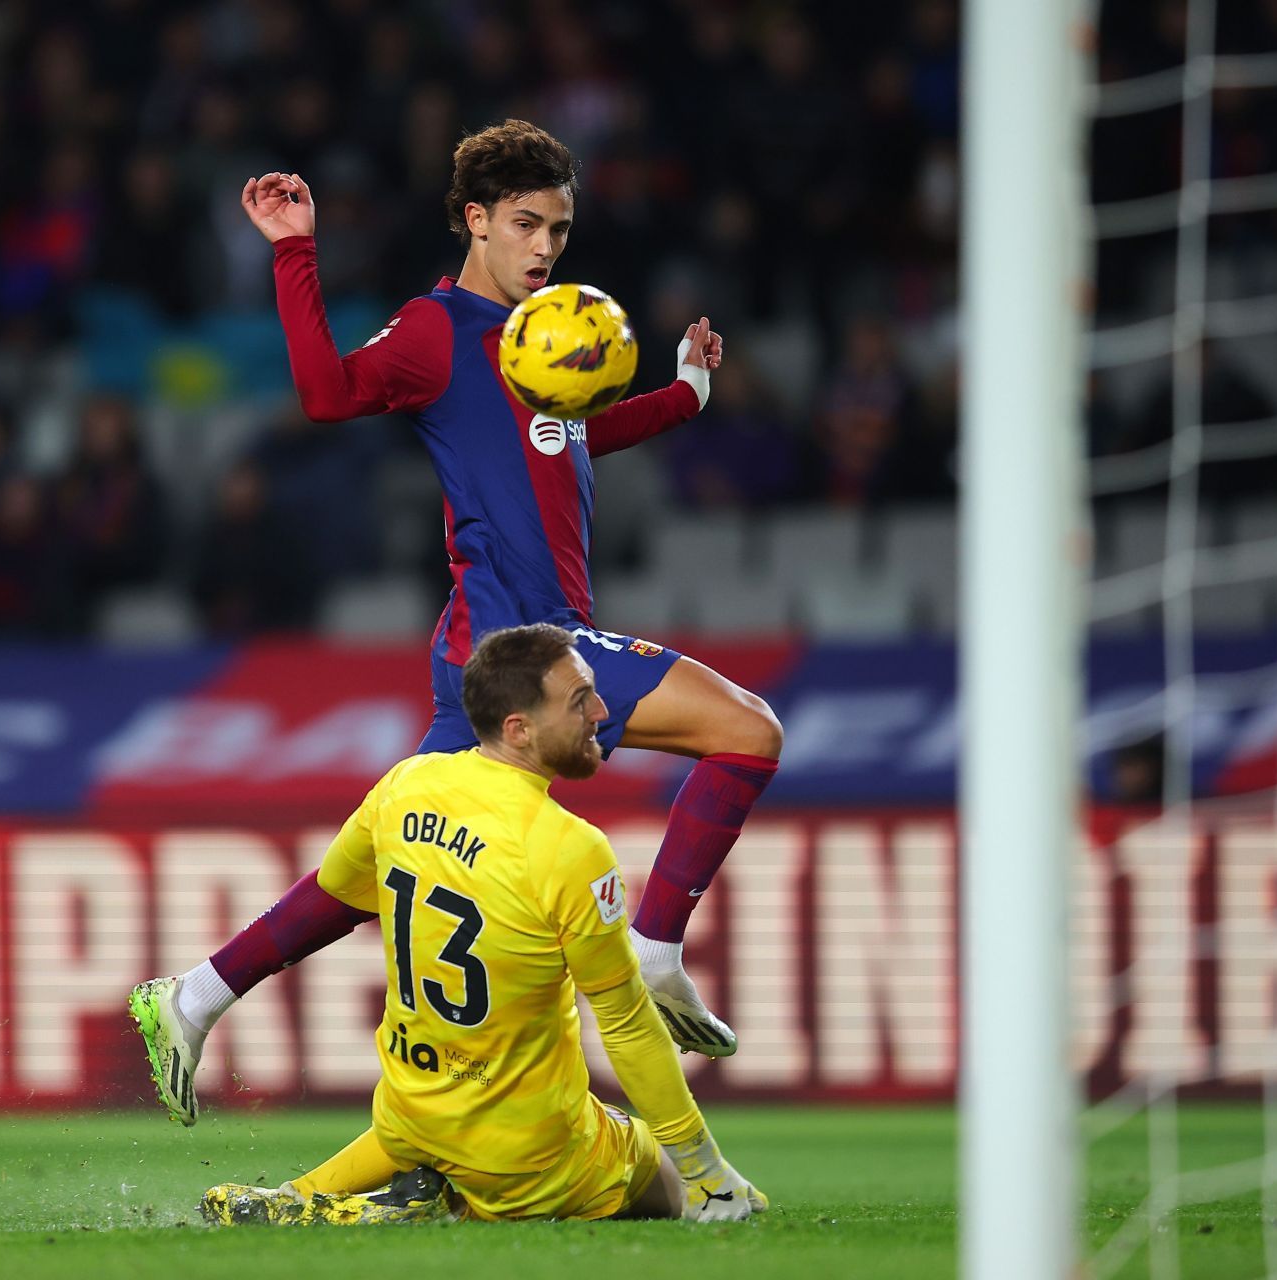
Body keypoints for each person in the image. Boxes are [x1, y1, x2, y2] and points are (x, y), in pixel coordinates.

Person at [134, 120, 782, 1126]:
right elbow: (325, 392)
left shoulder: (543, 341)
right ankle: (653, 945)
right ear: (475, 220)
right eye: (525, 224)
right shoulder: (437, 332)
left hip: (505, 652)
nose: (544, 248)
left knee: (379, 859)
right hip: (515, 650)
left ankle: (194, 993)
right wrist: (296, 250)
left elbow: (572, 435)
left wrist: (683, 396)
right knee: (747, 729)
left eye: (559, 229)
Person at [137, 624, 766, 1226]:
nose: (603, 711)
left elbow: (331, 894)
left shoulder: (403, 786)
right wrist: (704, 1169)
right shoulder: (572, 849)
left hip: (413, 1115)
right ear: (518, 729)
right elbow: (627, 1027)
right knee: (723, 1195)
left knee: (438, 1124)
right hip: (532, 1153)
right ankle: (413, 1207)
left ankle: (302, 1196)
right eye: (580, 701)